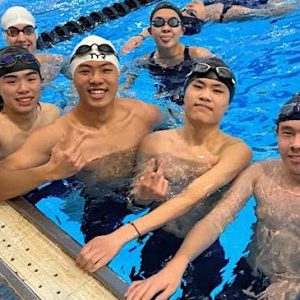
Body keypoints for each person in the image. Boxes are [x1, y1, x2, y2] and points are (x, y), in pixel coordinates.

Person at [76, 57, 252, 297]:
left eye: (217, 90)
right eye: (198, 86)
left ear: (228, 104)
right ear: (185, 93)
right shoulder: (155, 142)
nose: (205, 95)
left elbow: (192, 196)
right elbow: (134, 202)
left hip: (203, 247)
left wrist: (119, 236)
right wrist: (142, 197)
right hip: (157, 235)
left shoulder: (236, 150)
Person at [125, 93, 300, 300]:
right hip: (250, 274)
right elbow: (216, 219)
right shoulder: (260, 172)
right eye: (287, 133)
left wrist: (294, 286)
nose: (296, 144)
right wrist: (177, 264)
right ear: (276, 134)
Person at [0, 35, 162, 202]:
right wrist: (48, 172)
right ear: (74, 79)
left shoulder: (146, 113)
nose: (96, 79)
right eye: (85, 71)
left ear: (117, 75)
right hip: (93, 207)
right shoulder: (56, 135)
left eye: (106, 70)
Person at [122, 2, 212, 107]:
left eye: (173, 22)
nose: (166, 28)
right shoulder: (144, 61)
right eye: (158, 22)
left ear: (182, 31)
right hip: (165, 107)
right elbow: (123, 87)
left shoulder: (198, 55)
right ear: (151, 31)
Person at [122, 0, 295, 55]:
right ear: (200, 20)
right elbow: (275, 11)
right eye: (190, 11)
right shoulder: (229, 13)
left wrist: (140, 36)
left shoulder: (202, 7)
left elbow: (161, 22)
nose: (189, 5)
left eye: (184, 10)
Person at [0, 46, 60, 160]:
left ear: (41, 82)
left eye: (31, 79)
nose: (23, 89)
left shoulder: (52, 114)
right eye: (12, 81)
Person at [1, 6, 71, 85]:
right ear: (5, 37)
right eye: (13, 32)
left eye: (28, 31)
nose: (21, 38)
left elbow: (79, 75)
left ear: (36, 34)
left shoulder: (53, 63)